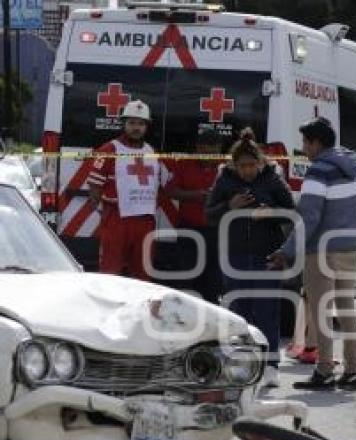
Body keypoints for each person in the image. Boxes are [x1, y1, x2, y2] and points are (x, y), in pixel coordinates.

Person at [268, 117, 356, 391]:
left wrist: (286, 252)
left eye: (305, 143)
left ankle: (324, 370)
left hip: (321, 250)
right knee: (347, 309)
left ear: (316, 143)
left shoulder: (318, 171)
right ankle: (353, 372)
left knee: (321, 311)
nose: (303, 149)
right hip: (349, 246)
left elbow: (308, 217)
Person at [206, 128, 295, 372]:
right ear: (234, 165)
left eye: (251, 165)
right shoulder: (224, 180)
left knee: (268, 312)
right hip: (234, 256)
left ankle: (271, 366)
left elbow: (292, 213)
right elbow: (210, 216)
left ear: (260, 162)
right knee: (238, 313)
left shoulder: (273, 179)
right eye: (242, 166)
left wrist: (271, 213)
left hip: (267, 256)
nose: (247, 170)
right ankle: (242, 364)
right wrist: (229, 206)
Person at [86, 100, 164, 280]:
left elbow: (157, 185)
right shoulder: (110, 149)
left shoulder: (151, 151)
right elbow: (95, 185)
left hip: (145, 220)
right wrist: (102, 211)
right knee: (110, 270)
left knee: (143, 273)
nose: (136, 128)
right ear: (124, 124)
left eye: (141, 124)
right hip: (116, 218)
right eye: (132, 123)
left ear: (147, 126)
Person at [162, 130, 225, 302]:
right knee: (186, 278)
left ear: (220, 148)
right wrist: (198, 195)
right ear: (198, 147)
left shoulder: (226, 168)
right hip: (188, 230)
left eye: (214, 149)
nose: (210, 153)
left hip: (216, 231)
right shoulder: (184, 164)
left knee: (213, 281)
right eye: (206, 148)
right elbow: (170, 191)